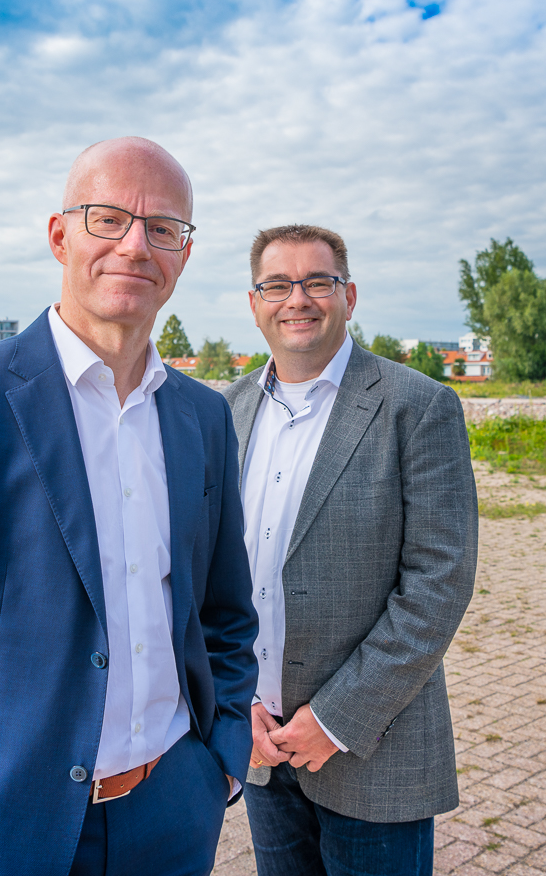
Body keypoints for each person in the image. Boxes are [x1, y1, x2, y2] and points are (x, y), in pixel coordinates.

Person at [0, 138, 259, 876]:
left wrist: (220, 760)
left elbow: (224, 611)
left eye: (163, 228)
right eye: (108, 218)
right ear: (60, 235)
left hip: (172, 813)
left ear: (183, 256)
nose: (135, 245)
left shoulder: (203, 418)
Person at [224, 224, 479, 876]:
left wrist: (336, 719)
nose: (297, 300)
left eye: (318, 282)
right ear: (255, 302)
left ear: (349, 294)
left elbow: (438, 581)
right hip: (261, 745)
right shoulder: (222, 413)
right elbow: (210, 576)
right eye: (277, 285)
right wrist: (237, 700)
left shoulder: (417, 406)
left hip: (371, 747)